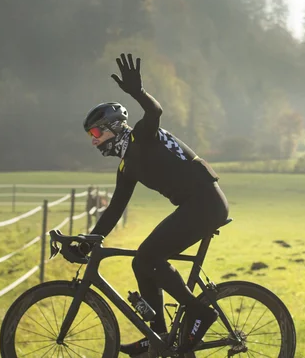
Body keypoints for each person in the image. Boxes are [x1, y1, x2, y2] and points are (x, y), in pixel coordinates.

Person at [78, 53, 229, 356]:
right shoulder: (126, 166)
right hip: (194, 205)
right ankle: (158, 336)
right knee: (142, 262)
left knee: (148, 256)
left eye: (96, 133)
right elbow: (115, 208)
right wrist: (89, 240)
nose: (93, 141)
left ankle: (199, 312)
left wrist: (137, 92)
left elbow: (155, 111)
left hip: (206, 202)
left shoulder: (141, 138)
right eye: (90, 136)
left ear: (114, 127)